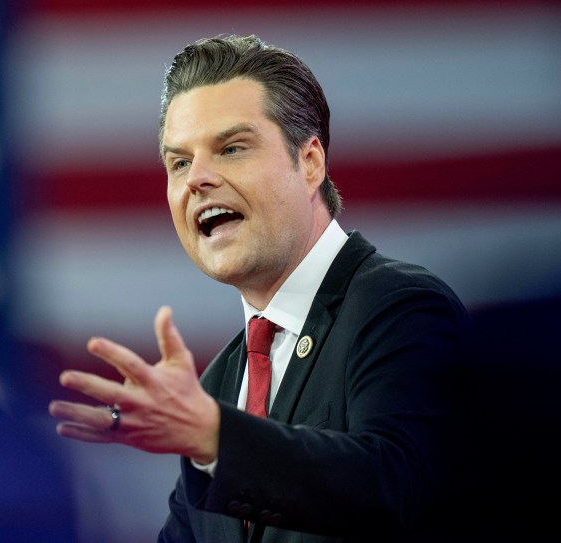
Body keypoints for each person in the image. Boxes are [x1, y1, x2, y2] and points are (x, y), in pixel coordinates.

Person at [48, 34, 471, 542]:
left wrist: (214, 437)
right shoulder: (219, 386)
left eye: (231, 148)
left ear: (310, 162)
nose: (197, 179)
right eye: (179, 162)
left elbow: (396, 486)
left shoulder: (400, 309)